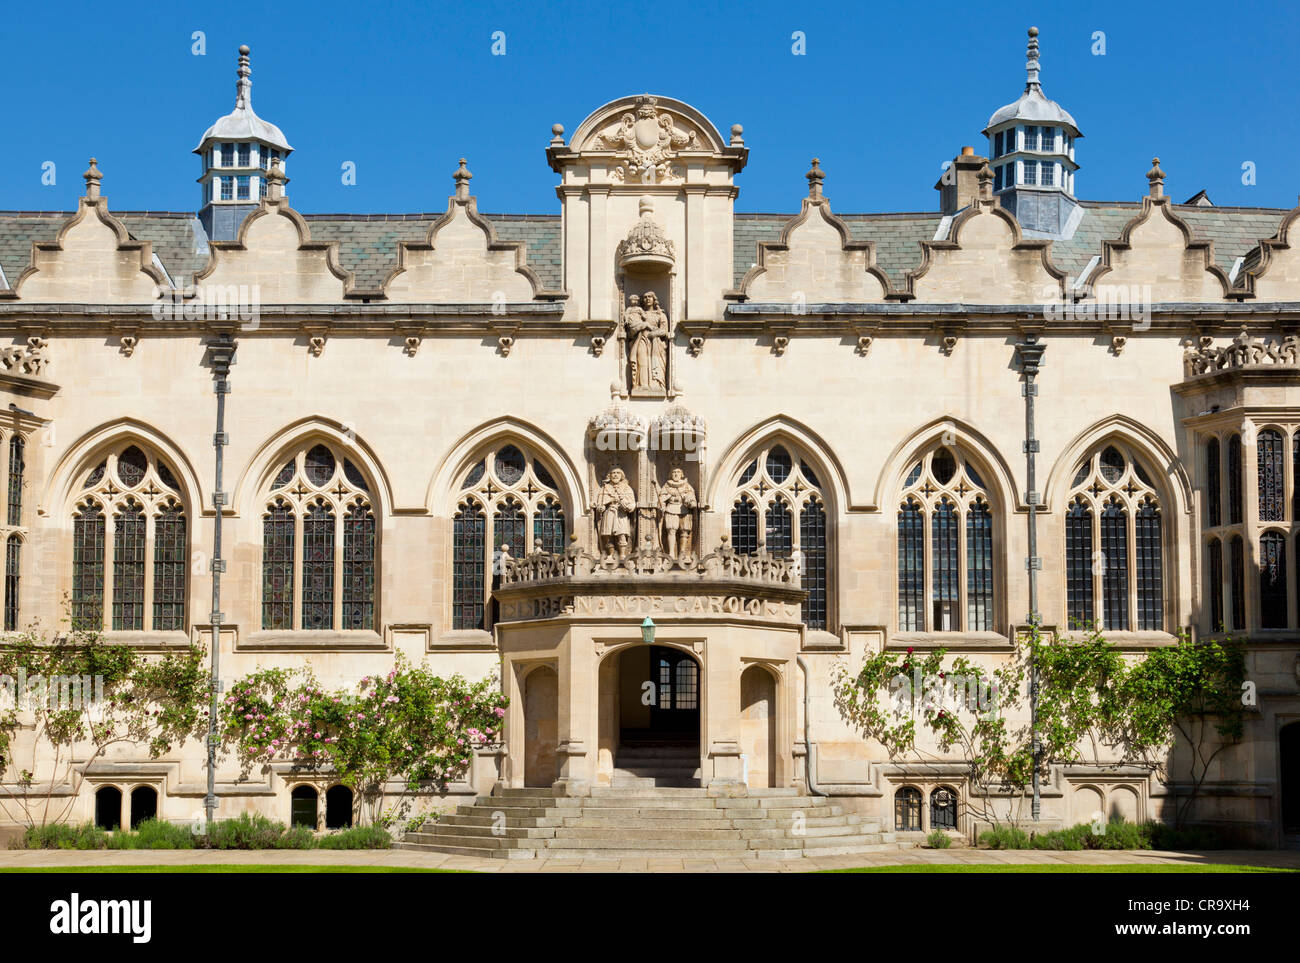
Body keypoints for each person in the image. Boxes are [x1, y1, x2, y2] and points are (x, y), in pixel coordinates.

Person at [595, 466, 636, 559]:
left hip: (621, 513)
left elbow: (632, 503)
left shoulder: (627, 488)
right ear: (609, 475)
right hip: (609, 512)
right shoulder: (605, 488)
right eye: (613, 473)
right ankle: (610, 554)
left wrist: (626, 504)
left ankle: (622, 554)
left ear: (621, 475)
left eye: (618, 473)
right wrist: (601, 507)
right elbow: (600, 503)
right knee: (608, 535)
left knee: (622, 533)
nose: (615, 475)